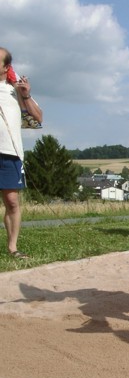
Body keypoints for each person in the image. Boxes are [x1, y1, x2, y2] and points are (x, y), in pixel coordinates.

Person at [0, 47, 42, 259]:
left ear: (6, 67)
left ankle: (13, 248)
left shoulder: (14, 90)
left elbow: (38, 119)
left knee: (12, 202)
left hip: (10, 153)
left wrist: (25, 96)